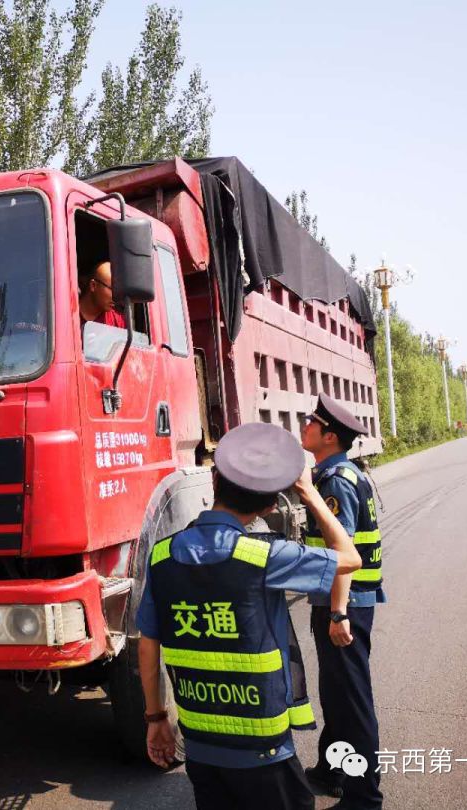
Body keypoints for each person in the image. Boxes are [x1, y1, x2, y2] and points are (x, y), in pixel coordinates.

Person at [136, 422, 363, 810]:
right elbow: (350, 557)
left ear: (213, 480)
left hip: (200, 744)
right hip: (263, 750)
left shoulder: (161, 556)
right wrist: (309, 494)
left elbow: (148, 645)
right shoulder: (265, 557)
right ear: (271, 506)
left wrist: (156, 717)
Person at [300, 394, 385, 810]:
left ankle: (364, 797)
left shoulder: (334, 481)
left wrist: (337, 613)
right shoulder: (341, 473)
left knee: (351, 702)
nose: (304, 425)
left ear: (329, 435)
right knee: (336, 693)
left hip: (344, 605)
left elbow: (341, 552)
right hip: (342, 602)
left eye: (310, 421)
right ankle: (331, 769)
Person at [78, 260, 127, 328]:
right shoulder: (66, 313)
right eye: (112, 289)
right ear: (93, 285)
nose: (116, 296)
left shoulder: (118, 322)